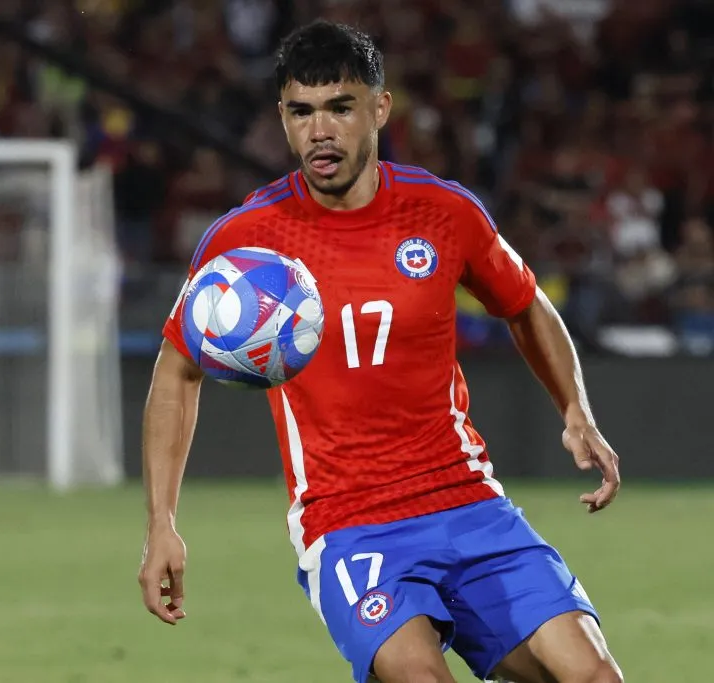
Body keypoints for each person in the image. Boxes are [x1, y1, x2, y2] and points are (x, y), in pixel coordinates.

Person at [137, 20, 623, 683]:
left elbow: (525, 303)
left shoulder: (444, 212)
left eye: (339, 107)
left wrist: (575, 409)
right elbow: (176, 369)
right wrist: (162, 521)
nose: (319, 131)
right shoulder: (245, 245)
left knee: (593, 675)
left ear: (379, 108)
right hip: (350, 523)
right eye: (300, 112)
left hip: (468, 502)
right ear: (282, 118)